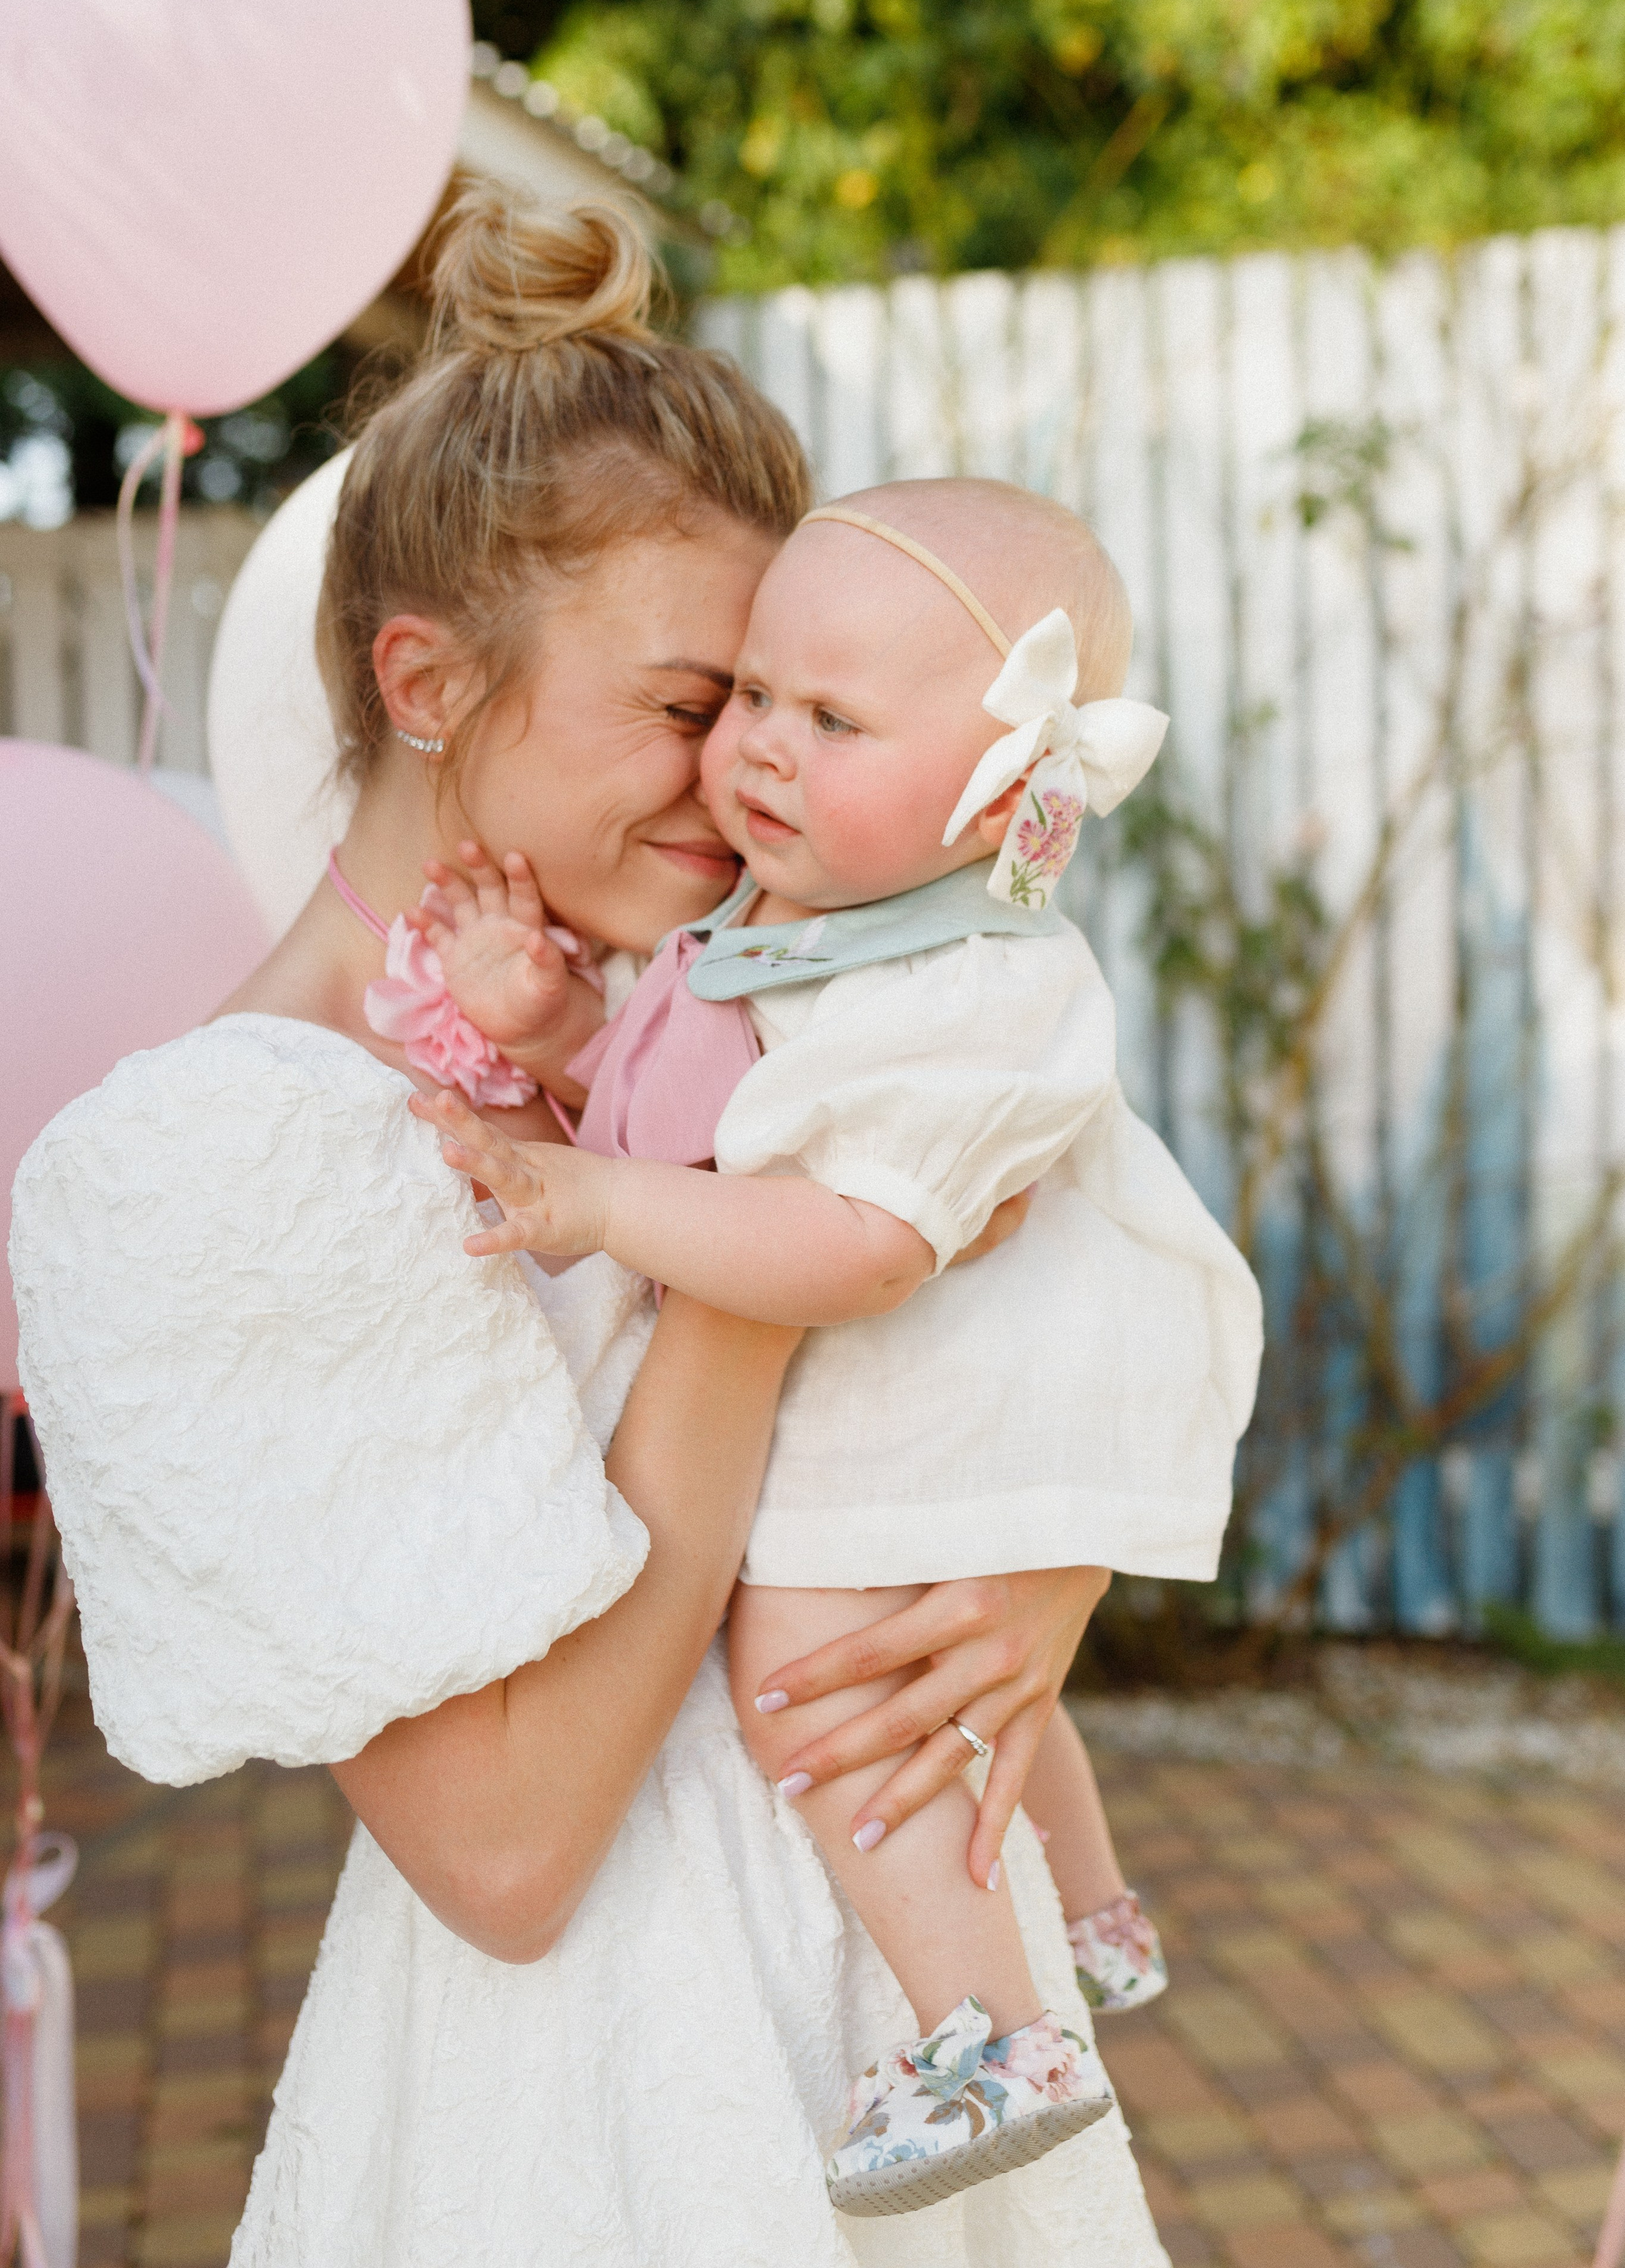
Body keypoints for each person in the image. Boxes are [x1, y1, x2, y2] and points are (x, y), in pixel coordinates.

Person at [9, 185, 1171, 2266]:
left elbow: (1093, 1270)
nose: (744, 780)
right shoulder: (208, 1161)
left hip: (918, 1984)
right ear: (429, 679)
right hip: (600, 2097)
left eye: (787, 710)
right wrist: (755, 1261)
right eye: (691, 705)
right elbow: (510, 1850)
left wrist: (1042, 1577)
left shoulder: (742, 999)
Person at [415, 477, 1262, 2214]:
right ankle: (1092, 1908)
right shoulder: (800, 926)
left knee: (820, 1680)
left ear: (1004, 790)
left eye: (835, 719)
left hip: (930, 1398)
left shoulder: (969, 990)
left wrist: (591, 1201)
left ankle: (991, 2030)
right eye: (750, 695)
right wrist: (561, 1031)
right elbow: (698, 1108)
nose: (761, 749)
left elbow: (851, 1242)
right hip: (904, 1408)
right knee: (960, 1669)